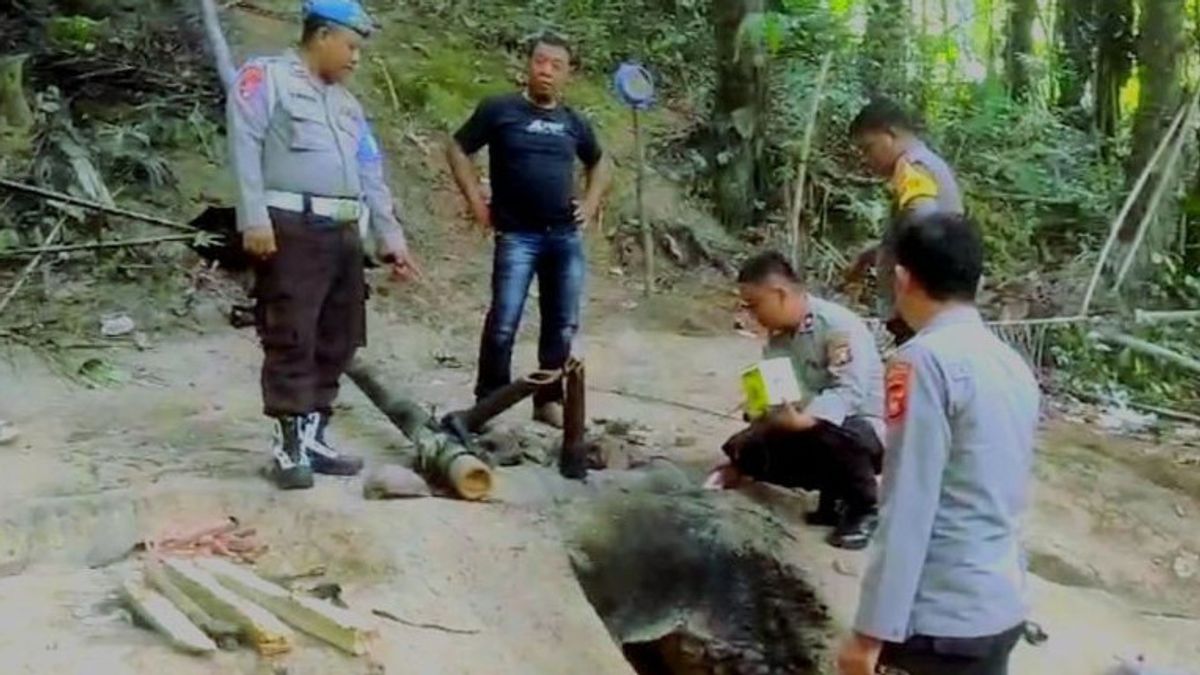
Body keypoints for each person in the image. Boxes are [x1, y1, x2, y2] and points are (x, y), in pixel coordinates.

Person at [228, 0, 419, 490]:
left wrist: (390, 235)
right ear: (321, 37)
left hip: (344, 234)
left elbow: (370, 172)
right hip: (291, 226)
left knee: (340, 334)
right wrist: (253, 217)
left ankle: (315, 435)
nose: (356, 58)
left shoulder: (348, 106)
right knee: (293, 333)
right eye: (351, 46)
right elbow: (245, 145)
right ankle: (288, 444)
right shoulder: (268, 79)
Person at [837, 213, 1039, 675]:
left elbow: (908, 503)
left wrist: (870, 633)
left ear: (903, 279)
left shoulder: (922, 363)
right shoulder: (1011, 365)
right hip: (999, 605)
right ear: (978, 280)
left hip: (941, 621)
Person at [446, 32, 611, 428]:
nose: (546, 71)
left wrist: (589, 204)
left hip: (564, 237)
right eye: (540, 62)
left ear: (568, 73)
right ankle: (490, 401)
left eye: (556, 65)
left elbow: (601, 163)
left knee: (562, 322)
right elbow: (456, 148)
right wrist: (474, 201)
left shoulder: (573, 122)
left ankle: (548, 400)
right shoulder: (500, 109)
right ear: (527, 65)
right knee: (504, 320)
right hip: (517, 235)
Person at [711, 251, 885, 550]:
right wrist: (760, 411)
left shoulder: (836, 326)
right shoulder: (778, 341)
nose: (752, 316)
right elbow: (782, 392)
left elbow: (848, 394)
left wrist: (802, 420)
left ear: (779, 294)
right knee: (743, 448)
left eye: (755, 306)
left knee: (829, 432)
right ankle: (832, 497)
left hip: (864, 429)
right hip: (811, 427)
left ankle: (865, 508)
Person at [847, 98, 963, 343]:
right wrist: (875, 253)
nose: (866, 159)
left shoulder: (911, 167)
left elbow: (926, 225)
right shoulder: (927, 162)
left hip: (923, 305)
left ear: (890, 134)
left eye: (868, 148)